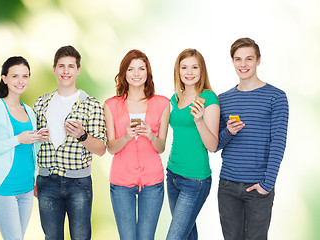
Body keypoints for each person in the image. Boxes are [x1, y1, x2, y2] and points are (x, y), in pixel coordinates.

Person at [216, 37, 289, 240]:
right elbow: (216, 146)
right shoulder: (224, 99)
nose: (243, 64)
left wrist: (267, 184)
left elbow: (278, 142)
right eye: (238, 59)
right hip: (228, 186)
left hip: (258, 186)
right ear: (232, 62)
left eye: (249, 59)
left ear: (258, 60)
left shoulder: (276, 97)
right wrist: (228, 132)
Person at [33, 45, 106, 240]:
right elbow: (34, 145)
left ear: (78, 70)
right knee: (51, 237)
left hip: (78, 184)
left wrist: (83, 136)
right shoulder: (40, 104)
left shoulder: (91, 105)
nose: (66, 71)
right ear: (54, 69)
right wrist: (35, 177)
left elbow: (101, 149)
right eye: (61, 66)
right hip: (47, 182)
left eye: (71, 66)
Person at [104, 49, 170, 240]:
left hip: (152, 183)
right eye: (131, 69)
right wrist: (125, 137)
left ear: (148, 73)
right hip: (121, 183)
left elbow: (161, 147)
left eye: (141, 69)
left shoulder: (162, 104)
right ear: (124, 73)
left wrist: (151, 135)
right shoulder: (111, 105)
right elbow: (110, 148)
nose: (136, 74)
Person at [0, 56, 48, 240]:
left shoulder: (29, 111)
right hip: (5, 188)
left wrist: (40, 139)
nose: (20, 81)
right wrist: (17, 139)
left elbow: (29, 148)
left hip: (26, 187)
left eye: (25, 76)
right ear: (4, 79)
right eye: (15, 76)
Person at [166, 49, 220, 240]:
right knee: (187, 235)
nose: (189, 72)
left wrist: (199, 120)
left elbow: (213, 145)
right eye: (184, 67)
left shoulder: (208, 98)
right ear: (178, 71)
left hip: (195, 180)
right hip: (172, 174)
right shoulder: (175, 98)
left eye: (194, 67)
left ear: (201, 70)